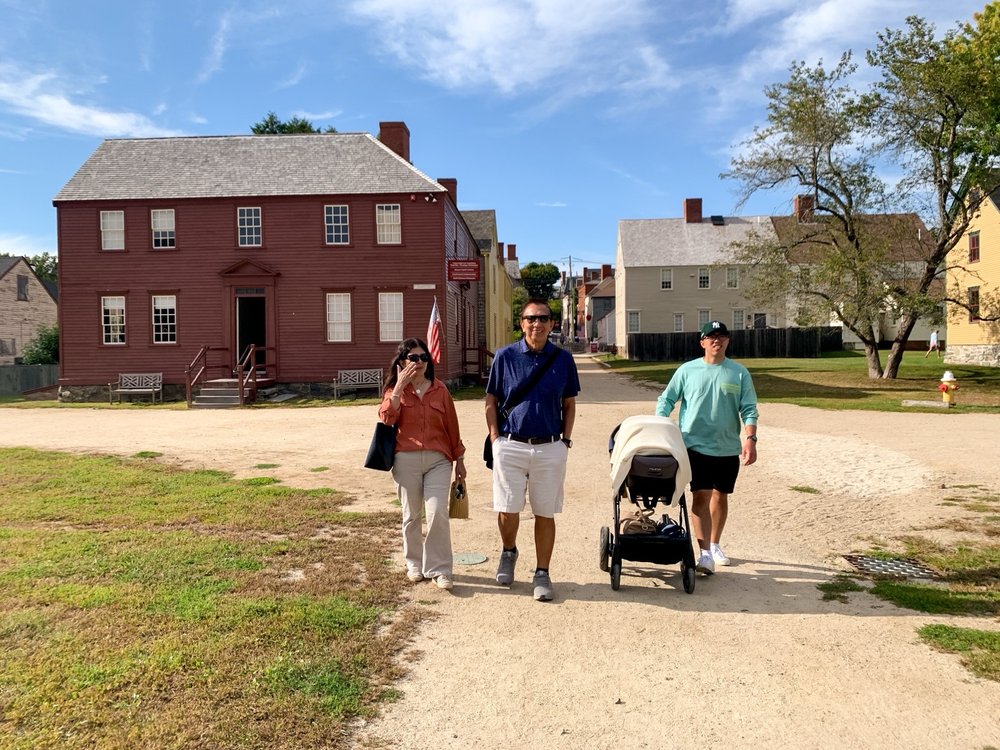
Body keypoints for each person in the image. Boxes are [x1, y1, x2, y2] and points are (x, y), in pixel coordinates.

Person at [485, 300, 580, 601]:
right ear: (521, 323)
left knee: (544, 511)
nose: (537, 324)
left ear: (552, 324)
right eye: (531, 318)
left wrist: (564, 441)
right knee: (508, 508)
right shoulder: (505, 357)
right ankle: (509, 551)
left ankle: (542, 572)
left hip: (550, 447)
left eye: (543, 318)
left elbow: (569, 404)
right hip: (510, 444)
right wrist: (495, 438)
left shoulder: (563, 360)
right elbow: (490, 400)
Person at [655, 320, 758, 575]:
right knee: (700, 495)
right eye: (711, 337)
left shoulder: (738, 373)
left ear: (727, 341)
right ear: (702, 342)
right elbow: (667, 399)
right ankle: (704, 555)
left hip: (726, 447)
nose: (717, 340)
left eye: (721, 336)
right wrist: (659, 426)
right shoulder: (687, 371)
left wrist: (750, 439)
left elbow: (749, 408)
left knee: (720, 495)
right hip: (694, 446)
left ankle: (714, 544)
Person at [379, 337, 466, 590]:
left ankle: (439, 569)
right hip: (405, 460)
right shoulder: (395, 390)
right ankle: (414, 564)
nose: (420, 362)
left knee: (438, 513)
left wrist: (459, 461)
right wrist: (398, 387)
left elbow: (452, 427)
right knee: (411, 516)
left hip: (438, 461)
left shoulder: (440, 390)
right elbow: (386, 417)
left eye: (424, 357)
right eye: (414, 358)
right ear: (403, 362)